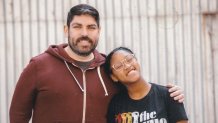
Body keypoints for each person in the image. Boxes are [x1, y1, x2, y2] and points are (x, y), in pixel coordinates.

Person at [9, 4, 185, 123]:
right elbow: (18, 115)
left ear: (98, 31)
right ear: (66, 30)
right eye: (77, 26)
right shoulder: (39, 66)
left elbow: (138, 92)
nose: (84, 33)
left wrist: (170, 94)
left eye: (91, 27)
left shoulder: (109, 69)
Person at [104, 47, 188, 123]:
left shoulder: (169, 94)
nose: (127, 66)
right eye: (118, 66)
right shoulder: (116, 105)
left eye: (129, 59)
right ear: (114, 77)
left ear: (136, 60)